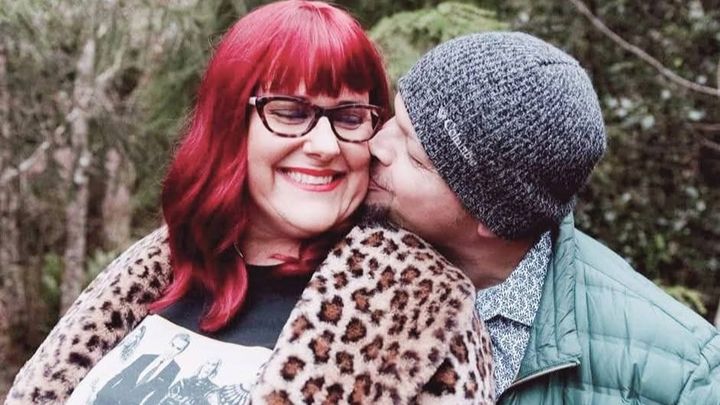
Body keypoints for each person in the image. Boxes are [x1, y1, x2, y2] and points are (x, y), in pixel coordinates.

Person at [6, 2, 494, 404]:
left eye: (349, 116)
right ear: (229, 124)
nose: (325, 145)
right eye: (290, 111)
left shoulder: (421, 311)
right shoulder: (158, 270)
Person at [365, 31, 720, 404]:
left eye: (414, 156)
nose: (375, 145)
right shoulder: (345, 261)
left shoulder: (685, 380)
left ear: (491, 213)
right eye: (395, 117)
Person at [95, 333, 190, 404]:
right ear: (169, 343)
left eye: (178, 348)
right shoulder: (146, 357)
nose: (172, 350)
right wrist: (102, 392)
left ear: (181, 351)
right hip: (111, 398)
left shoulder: (174, 369)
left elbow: (158, 395)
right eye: (172, 345)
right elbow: (120, 375)